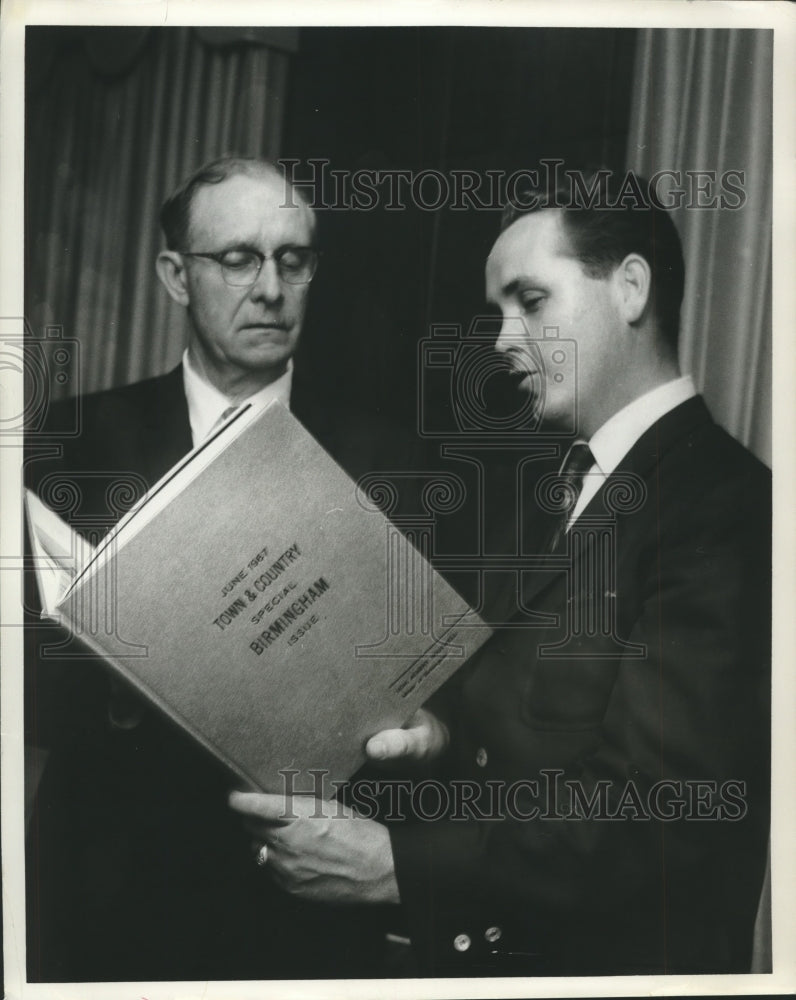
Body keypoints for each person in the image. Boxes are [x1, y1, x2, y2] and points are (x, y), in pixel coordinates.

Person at [228, 168, 771, 976]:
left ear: (630, 289)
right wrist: (440, 736)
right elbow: (529, 740)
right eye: (497, 312)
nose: (502, 341)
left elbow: (660, 819)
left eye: (533, 301)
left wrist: (392, 866)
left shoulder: (730, 508)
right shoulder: (552, 491)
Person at [25, 156, 406, 981]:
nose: (270, 287)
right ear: (174, 275)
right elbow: (27, 690)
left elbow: (421, 691)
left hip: (305, 918)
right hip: (110, 901)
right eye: (238, 258)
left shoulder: (387, 459)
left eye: (293, 259)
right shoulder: (73, 444)